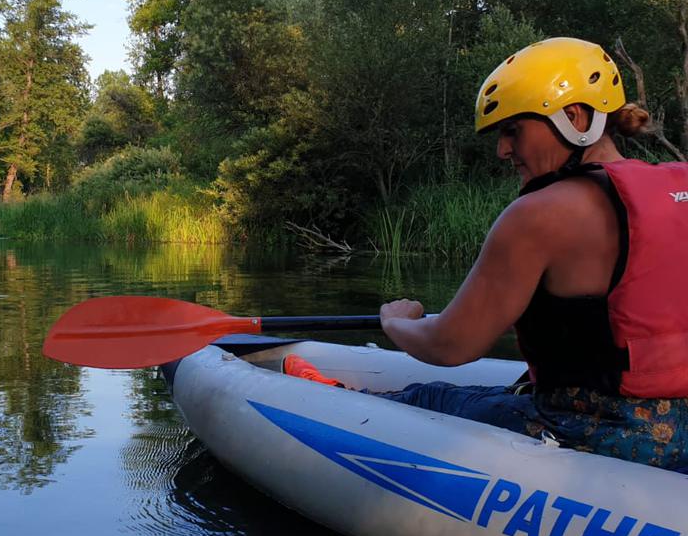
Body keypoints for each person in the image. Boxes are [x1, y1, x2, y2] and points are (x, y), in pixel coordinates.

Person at [288, 37, 688, 470]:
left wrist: (396, 324)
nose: (502, 150)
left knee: (429, 395)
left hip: (599, 427)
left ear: (573, 117)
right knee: (496, 395)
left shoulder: (540, 213)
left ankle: (331, 397)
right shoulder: (675, 189)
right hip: (676, 425)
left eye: (513, 129)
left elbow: (450, 346)